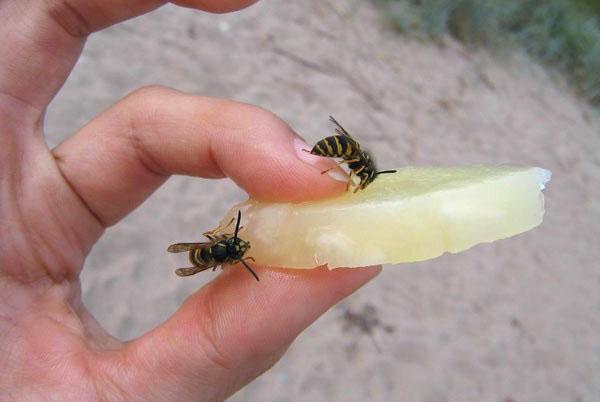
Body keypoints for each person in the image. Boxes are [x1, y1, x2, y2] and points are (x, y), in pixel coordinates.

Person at [0, 1, 380, 400]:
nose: (236, 247)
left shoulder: (226, 248)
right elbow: (223, 253)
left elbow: (219, 251)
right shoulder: (230, 250)